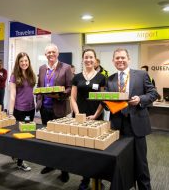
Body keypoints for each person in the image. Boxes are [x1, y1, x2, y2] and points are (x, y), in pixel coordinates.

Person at [106, 48, 158, 190]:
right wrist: (103, 101)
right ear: (113, 61)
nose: (120, 60)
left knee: (141, 163)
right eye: (117, 58)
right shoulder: (110, 79)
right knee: (119, 161)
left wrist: (140, 99)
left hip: (137, 125)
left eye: (123, 57)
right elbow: (106, 104)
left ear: (128, 59)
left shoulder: (141, 75)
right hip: (118, 126)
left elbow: (154, 93)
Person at [36, 43, 73, 183]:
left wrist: (59, 95)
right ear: (45, 55)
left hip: (59, 108)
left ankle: (65, 170)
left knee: (61, 141)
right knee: (47, 139)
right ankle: (50, 164)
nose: (51, 54)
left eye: (53, 52)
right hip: (44, 109)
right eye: (48, 53)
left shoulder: (66, 68)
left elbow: (70, 87)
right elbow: (39, 86)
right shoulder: (42, 68)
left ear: (57, 54)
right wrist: (38, 98)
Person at [70, 48, 106, 190]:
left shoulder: (102, 77)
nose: (88, 60)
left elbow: (103, 99)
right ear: (83, 59)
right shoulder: (77, 77)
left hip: (96, 117)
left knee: (96, 149)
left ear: (95, 59)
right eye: (86, 57)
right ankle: (84, 179)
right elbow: (72, 98)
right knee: (81, 149)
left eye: (91, 57)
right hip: (79, 117)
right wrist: (78, 115)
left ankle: (97, 179)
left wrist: (96, 115)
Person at [9, 52, 36, 171]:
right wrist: (10, 113)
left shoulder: (31, 74)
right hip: (20, 110)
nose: (24, 63)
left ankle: (17, 154)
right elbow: (12, 96)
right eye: (21, 61)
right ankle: (20, 162)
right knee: (21, 136)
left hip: (31, 109)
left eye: (26, 61)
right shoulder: (14, 76)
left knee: (27, 133)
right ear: (18, 63)